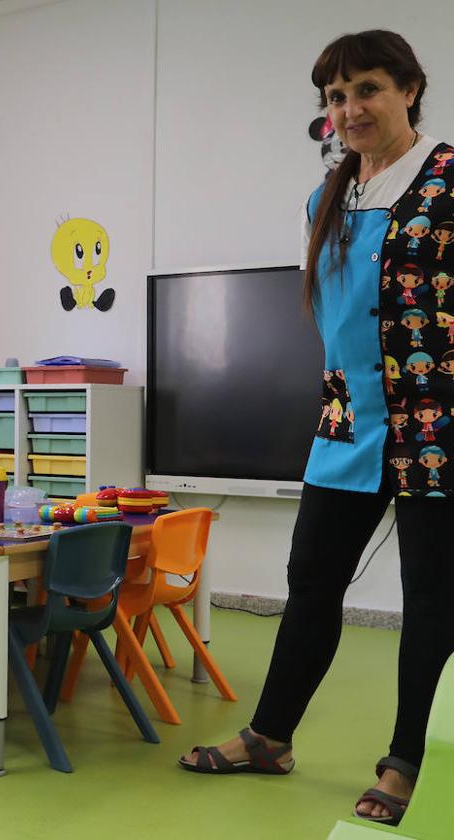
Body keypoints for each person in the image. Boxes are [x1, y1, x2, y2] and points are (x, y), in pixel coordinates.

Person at [180, 30, 454, 828]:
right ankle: (270, 737)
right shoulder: (326, 195)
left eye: (366, 89)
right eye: (335, 97)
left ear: (409, 89)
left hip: (438, 420)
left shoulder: (449, 177)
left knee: (432, 602)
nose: (349, 109)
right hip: (345, 424)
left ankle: (407, 760)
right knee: (310, 587)